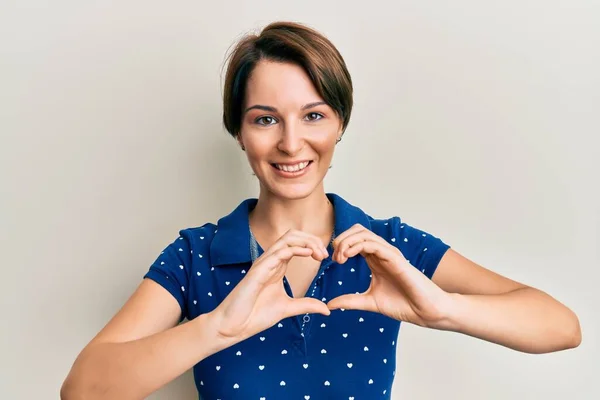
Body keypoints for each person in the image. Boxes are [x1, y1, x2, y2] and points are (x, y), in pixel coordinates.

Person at [60, 21, 581, 400]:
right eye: (265, 119)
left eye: (313, 115)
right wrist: (218, 327)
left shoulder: (388, 247)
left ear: (340, 125)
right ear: (238, 133)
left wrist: (443, 308)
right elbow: (82, 390)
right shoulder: (195, 255)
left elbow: (561, 327)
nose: (292, 143)